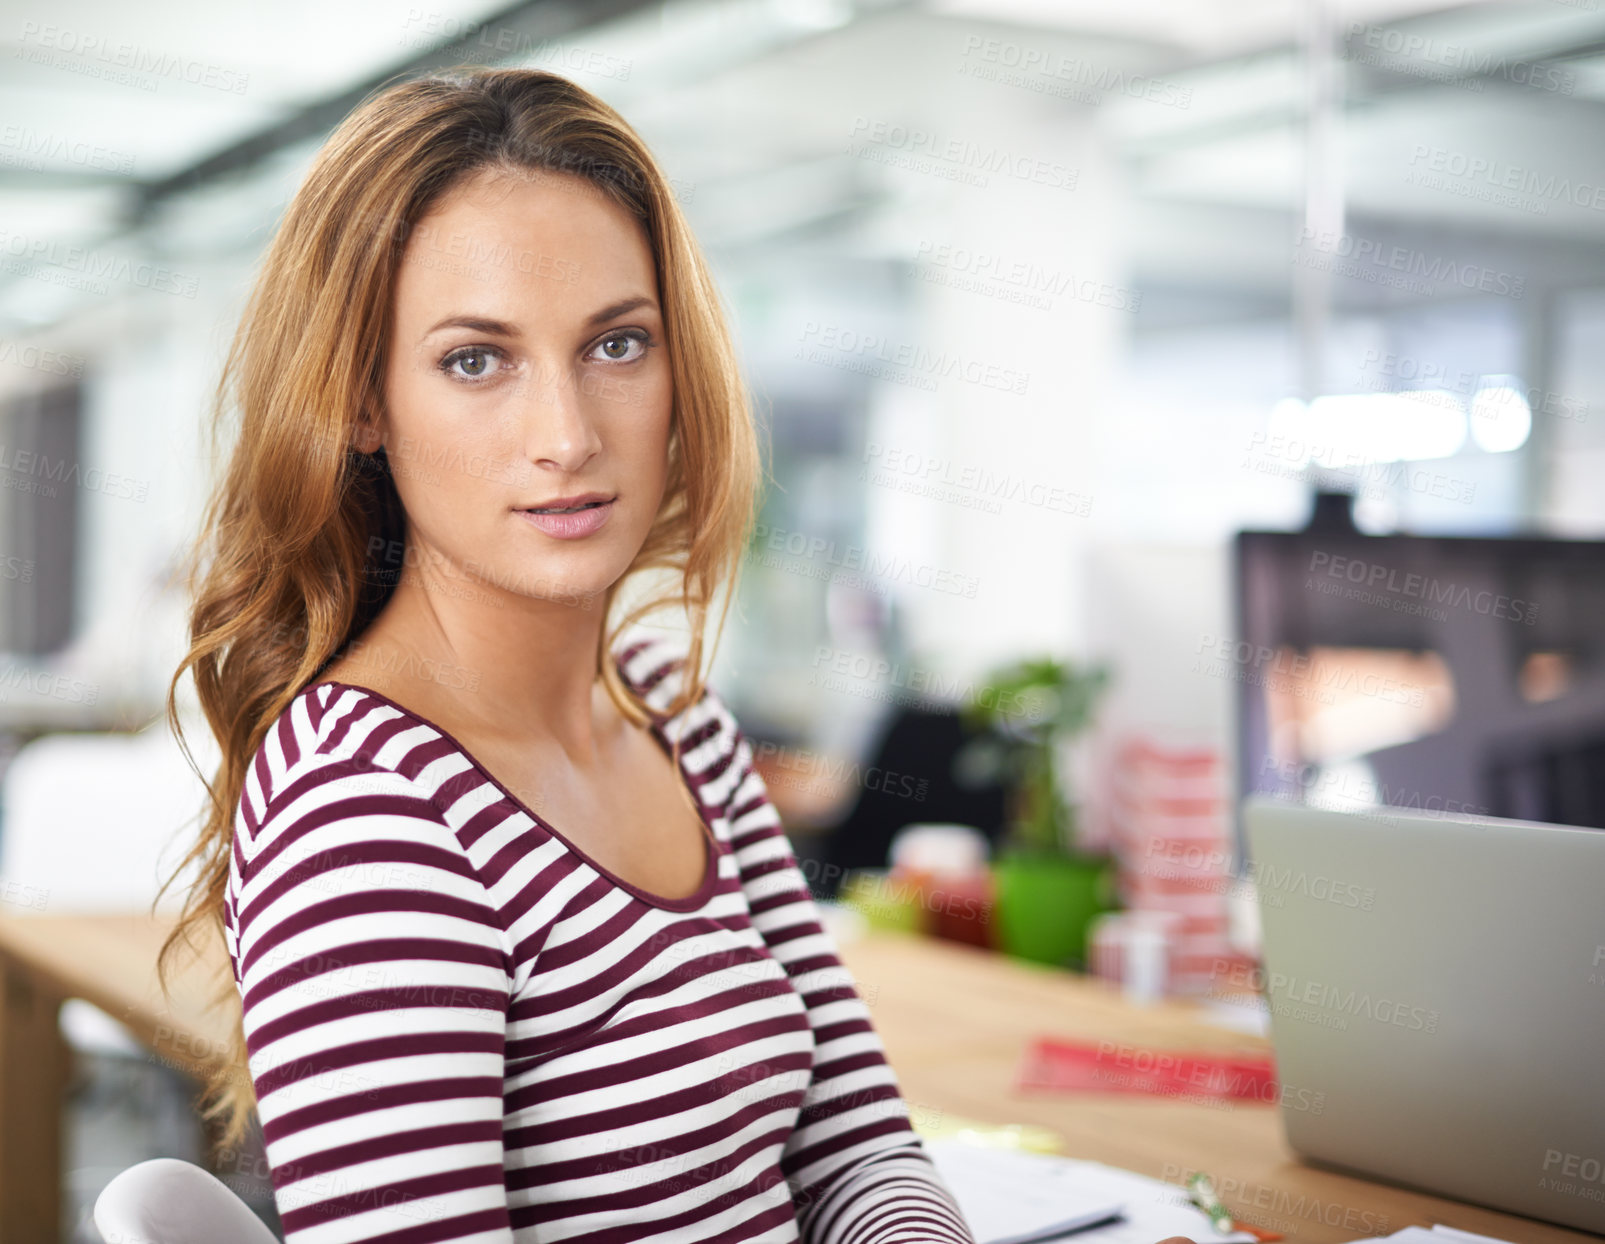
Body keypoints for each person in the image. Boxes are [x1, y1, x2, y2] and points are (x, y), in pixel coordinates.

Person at [161, 64, 979, 1242]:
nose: (568, 436)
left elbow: (854, 1145)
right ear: (361, 403)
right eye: (476, 359)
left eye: (616, 344)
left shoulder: (674, 719)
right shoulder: (370, 810)